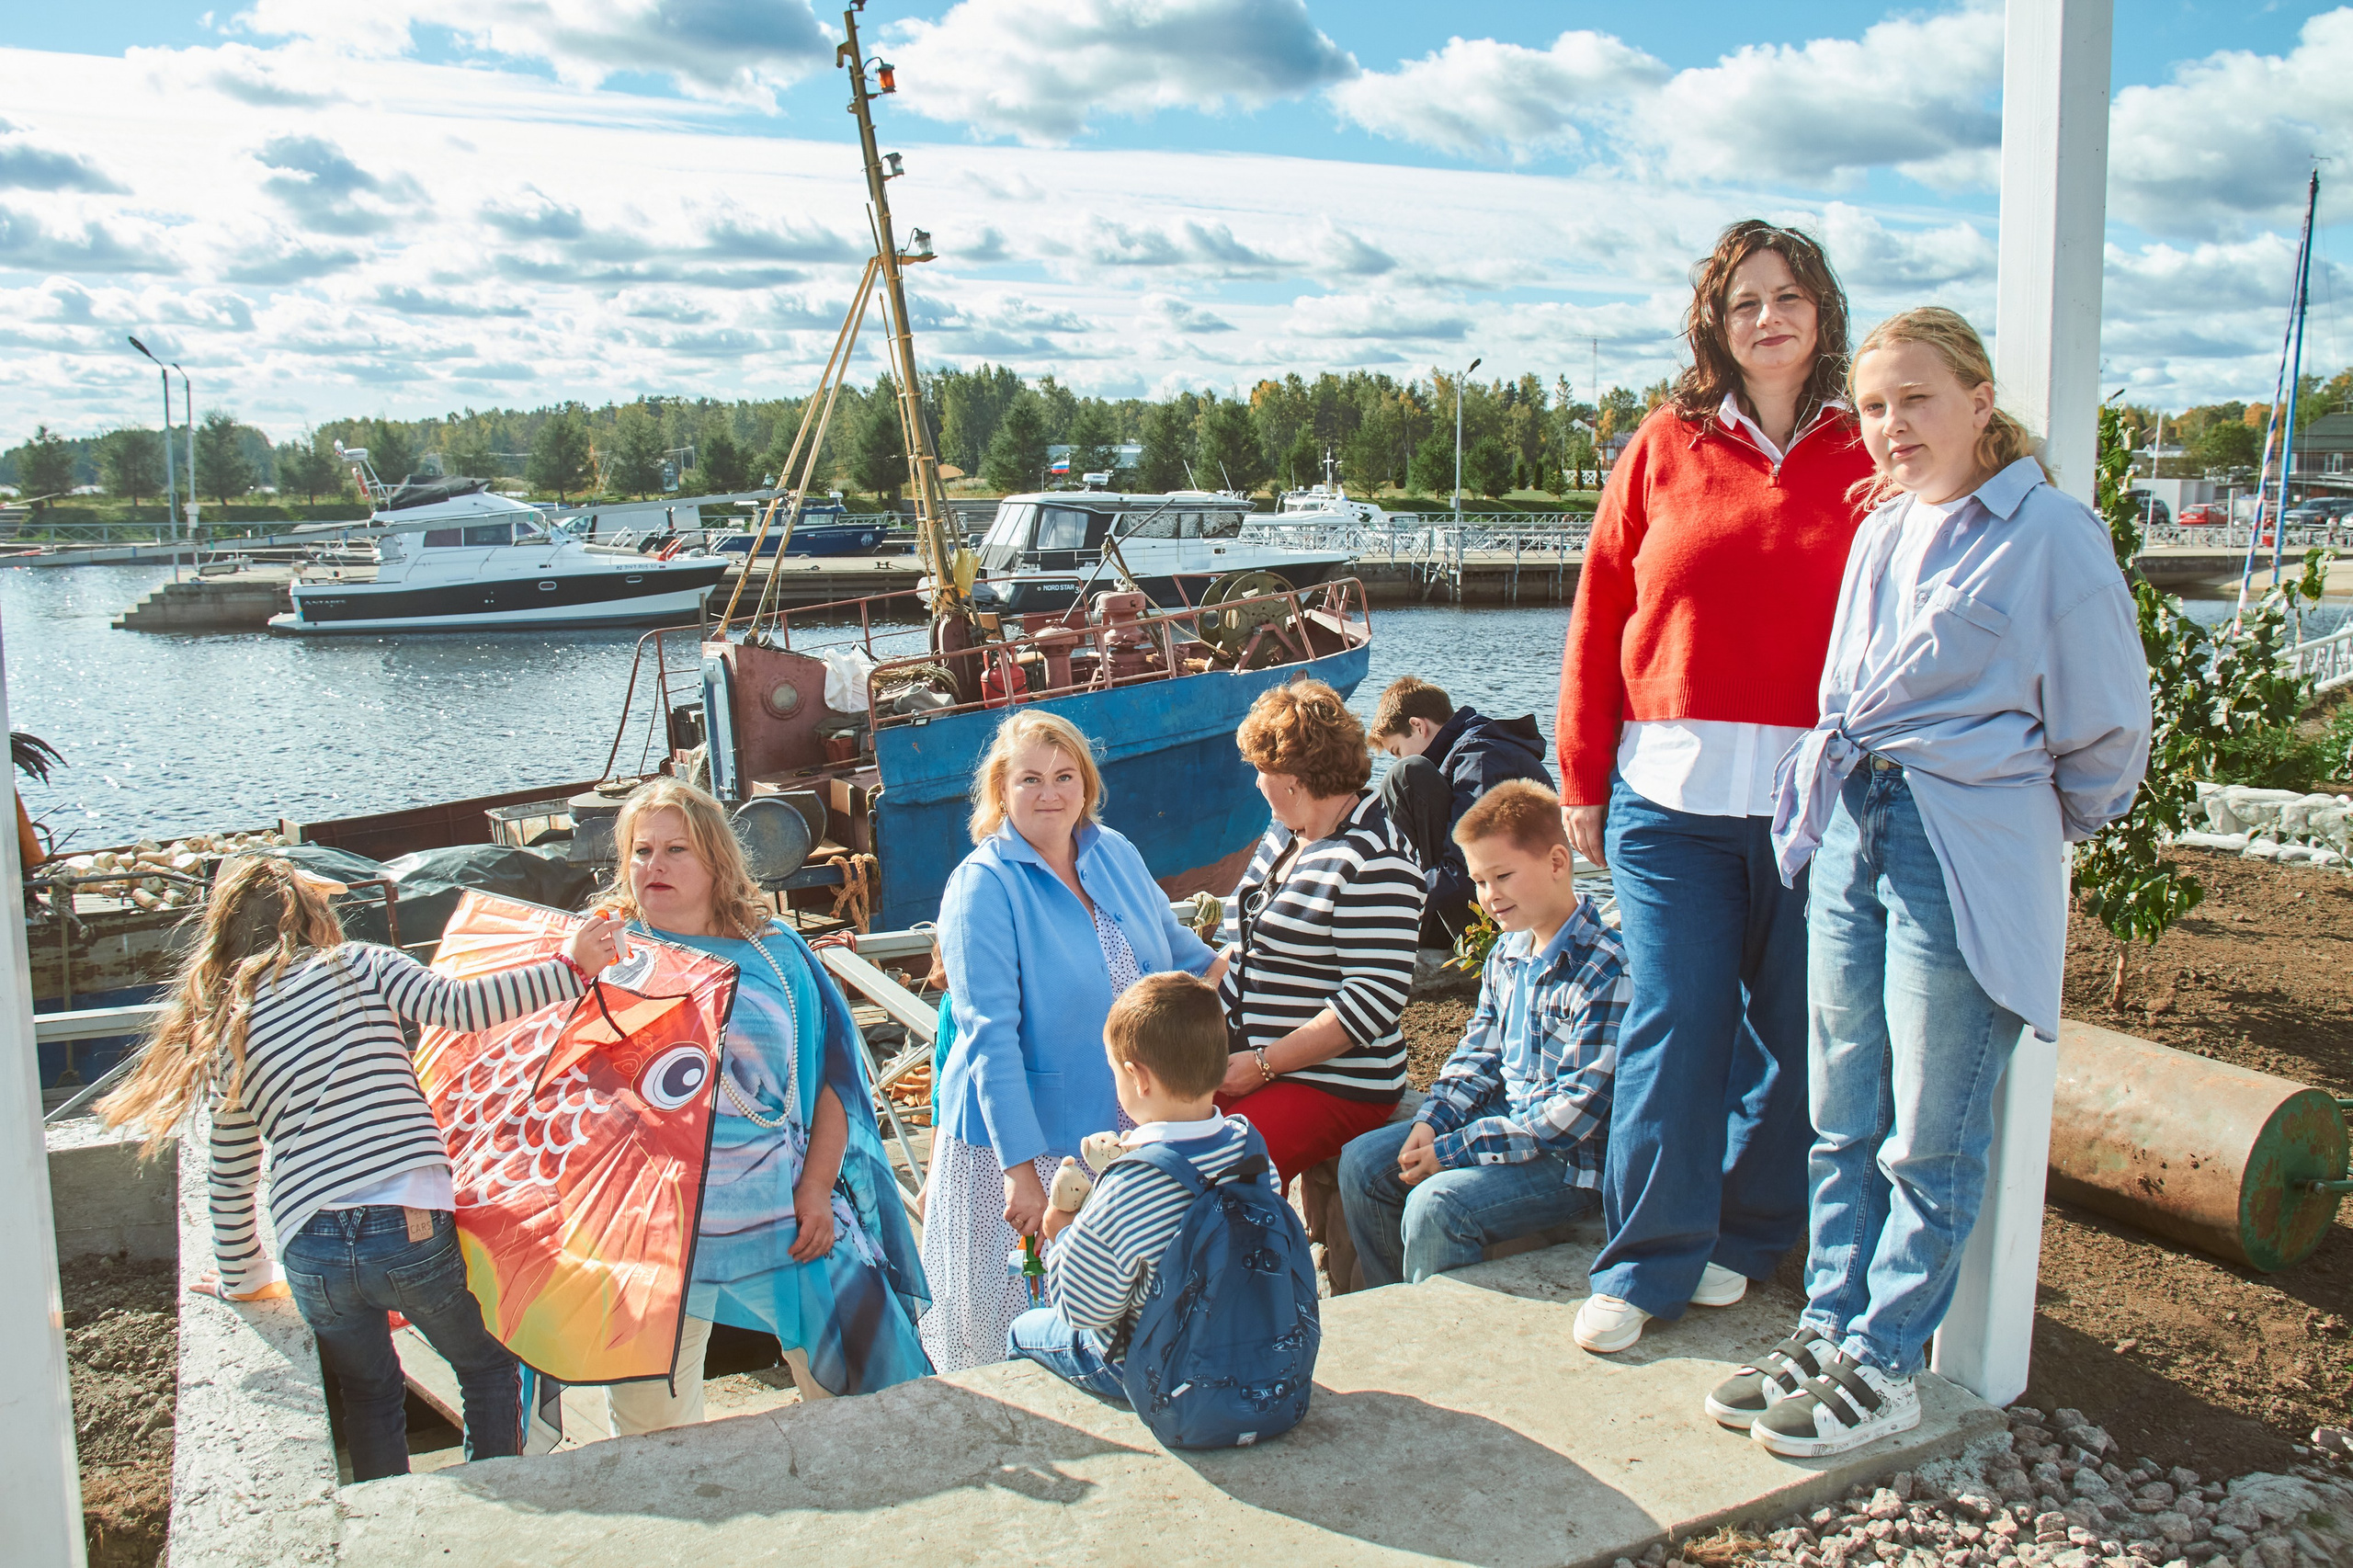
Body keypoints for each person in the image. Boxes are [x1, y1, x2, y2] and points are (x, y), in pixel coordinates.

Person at [1718, 308, 2148, 1457]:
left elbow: (2107, 732)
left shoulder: (2051, 534)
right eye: (1871, 406)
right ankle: (1829, 1321)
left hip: (1958, 837)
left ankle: (1887, 1355)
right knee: (1842, 1099)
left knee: (1931, 1122)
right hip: (1858, 821)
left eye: (1915, 397)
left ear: (1977, 395)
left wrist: (2016, 816)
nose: (1892, 425)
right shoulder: (1883, 531)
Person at [1554, 220, 1877, 1356]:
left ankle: (1745, 1237)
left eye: (1788, 296)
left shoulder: (1868, 449)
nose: (1768, 316)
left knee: (1803, 1033)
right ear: (1716, 325)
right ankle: (1644, 1259)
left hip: (1817, 806)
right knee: (1676, 1021)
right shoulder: (1662, 444)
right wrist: (1580, 775)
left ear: (1821, 313)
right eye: (1744, 301)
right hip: (1671, 805)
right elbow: (1600, 615)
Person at [97, 854, 623, 1481]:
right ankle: (494, 1489)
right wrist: (570, 967)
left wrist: (242, 1276)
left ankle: (391, 1516)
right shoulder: (357, 965)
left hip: (310, 1248)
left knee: (371, 1393)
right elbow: (459, 1005)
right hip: (405, 1223)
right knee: (486, 1367)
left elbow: (231, 1172)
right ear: (314, 915)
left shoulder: (227, 1027)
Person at [600, 777, 929, 1432]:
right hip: (659, 1234)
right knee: (648, 1438)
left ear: (716, 862)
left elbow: (835, 1083)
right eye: (640, 852)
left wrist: (814, 1189)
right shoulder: (606, 962)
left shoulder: (775, 953)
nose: (653, 867)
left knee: (872, 1401)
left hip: (784, 1214)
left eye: (675, 851)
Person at [926, 710, 1223, 1373]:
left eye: (1065, 776)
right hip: (1025, 1145)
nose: (1050, 793)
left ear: (1086, 785)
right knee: (1013, 1333)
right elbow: (988, 1039)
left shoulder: (1112, 851)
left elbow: (1182, 958)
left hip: (1118, 1128)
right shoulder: (983, 886)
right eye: (1029, 779)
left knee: (1115, 1316)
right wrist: (1020, 1173)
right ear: (1001, 791)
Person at [1336, 780, 1628, 1285]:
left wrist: (1453, 1150)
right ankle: (1398, 1304)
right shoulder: (1508, 954)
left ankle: (1437, 1335)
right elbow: (1477, 1054)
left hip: (1569, 1163)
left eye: (1503, 876)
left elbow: (1569, 1118)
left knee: (1438, 1205)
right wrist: (1432, 1120)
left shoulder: (1605, 970)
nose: (1490, 897)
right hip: (1507, 1121)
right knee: (1363, 1163)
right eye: (1479, 881)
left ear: (1558, 863)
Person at [1006, 972, 1277, 1401]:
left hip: (1159, 1370)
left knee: (1022, 1332)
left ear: (1138, 1078)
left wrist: (1061, 1232)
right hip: (1248, 1345)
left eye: (1114, 1070)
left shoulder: (1131, 1185)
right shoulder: (1251, 1149)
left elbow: (1083, 1308)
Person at [1216, 678, 1426, 1191]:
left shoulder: (1375, 859)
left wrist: (1263, 1065)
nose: (1256, 784)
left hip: (1333, 1080)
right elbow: (1238, 943)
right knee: (1143, 1135)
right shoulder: (1289, 835)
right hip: (1246, 1058)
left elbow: (1371, 1002)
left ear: (1291, 778)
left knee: (1217, 1174)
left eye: (1260, 772)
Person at [1367, 676, 1553, 946]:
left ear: (1418, 726)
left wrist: (1393, 902)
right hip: (1495, 901)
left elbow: (1466, 868)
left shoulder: (1479, 759)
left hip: (1501, 919)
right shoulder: (1473, 752)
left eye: (1397, 750)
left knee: (1404, 776)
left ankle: (1380, 899)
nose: (1398, 758)